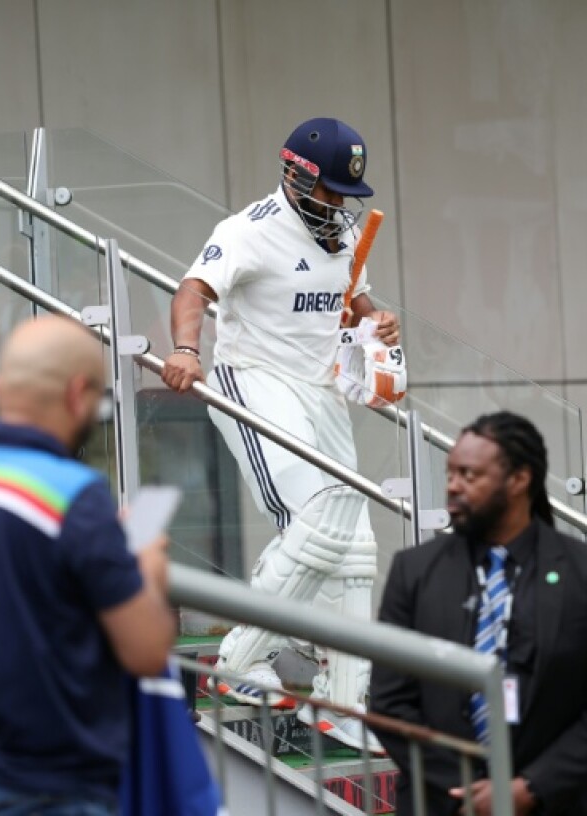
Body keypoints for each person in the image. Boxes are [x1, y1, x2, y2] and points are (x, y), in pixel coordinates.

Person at [160, 117, 403, 749]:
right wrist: (185, 348)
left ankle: (344, 702)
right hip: (256, 382)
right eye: (328, 192)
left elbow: (352, 303)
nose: (338, 208)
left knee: (355, 540)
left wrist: (379, 321)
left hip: (321, 393)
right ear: (295, 175)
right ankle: (240, 659)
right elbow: (193, 290)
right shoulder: (250, 230)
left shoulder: (343, 237)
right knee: (318, 523)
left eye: (347, 197)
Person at [0, 316, 176, 816]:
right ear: (78, 394)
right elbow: (144, 649)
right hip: (65, 786)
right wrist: (146, 564)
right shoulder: (75, 497)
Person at [371, 411, 587, 816]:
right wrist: (470, 792)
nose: (453, 487)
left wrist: (529, 788)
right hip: (444, 803)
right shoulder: (414, 571)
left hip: (560, 802)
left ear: (519, 479)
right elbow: (390, 703)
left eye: (469, 475)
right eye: (450, 474)